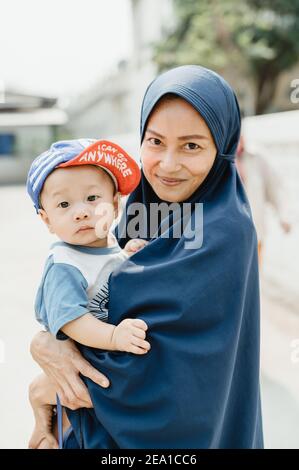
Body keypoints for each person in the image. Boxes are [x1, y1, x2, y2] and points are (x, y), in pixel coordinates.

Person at [29, 65, 264, 449]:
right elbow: (86, 296)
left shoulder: (222, 232)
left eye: (191, 146)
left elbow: (176, 380)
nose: (168, 165)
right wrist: (46, 342)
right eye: (155, 142)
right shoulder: (137, 210)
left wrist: (50, 382)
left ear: (221, 147)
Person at [26, 139, 149, 448]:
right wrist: (114, 337)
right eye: (64, 205)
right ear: (46, 220)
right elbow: (73, 321)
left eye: (93, 198)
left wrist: (129, 255)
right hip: (75, 391)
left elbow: (112, 274)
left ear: (116, 205)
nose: (81, 212)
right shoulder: (65, 265)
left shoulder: (109, 251)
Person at [236, 135, 291, 263]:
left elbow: (276, 188)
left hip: (254, 231)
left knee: (253, 275)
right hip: (226, 233)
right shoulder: (217, 157)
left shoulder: (257, 157)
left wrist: (284, 215)